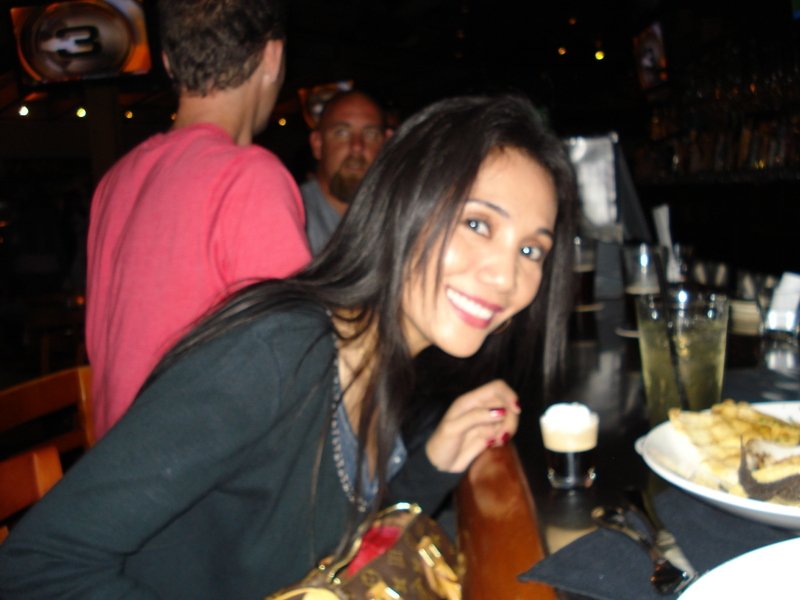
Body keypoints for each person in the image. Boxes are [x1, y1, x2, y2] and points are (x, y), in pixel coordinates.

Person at [0, 93, 578, 599]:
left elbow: (329, 548)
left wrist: (431, 466)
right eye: (478, 224)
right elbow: (34, 566)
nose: (506, 276)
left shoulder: (379, 360)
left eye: (532, 250)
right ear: (405, 200)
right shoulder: (277, 353)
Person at [85, 0, 311, 439]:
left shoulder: (114, 181)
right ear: (272, 56)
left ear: (168, 63)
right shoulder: (248, 177)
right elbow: (298, 371)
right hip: (198, 474)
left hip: (118, 467)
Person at [301, 90, 389, 254]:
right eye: (341, 133)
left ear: (386, 144)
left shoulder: (399, 218)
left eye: (370, 134)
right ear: (318, 144)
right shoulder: (295, 220)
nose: (357, 146)